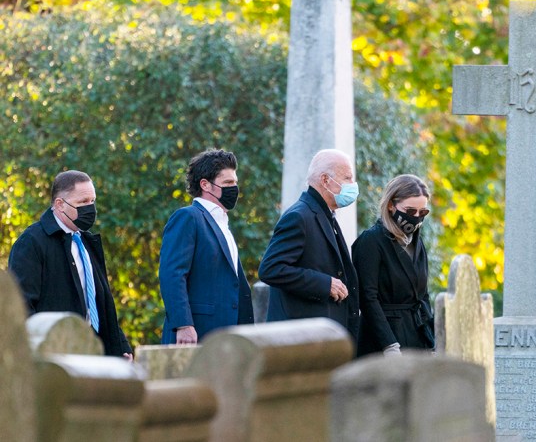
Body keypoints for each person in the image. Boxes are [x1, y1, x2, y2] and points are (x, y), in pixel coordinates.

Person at [8, 170, 133, 358]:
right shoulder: (32, 242)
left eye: (92, 201)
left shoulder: (88, 242)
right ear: (60, 205)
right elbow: (21, 306)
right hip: (56, 354)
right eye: (83, 202)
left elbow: (102, 301)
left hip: (94, 351)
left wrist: (121, 346)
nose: (90, 208)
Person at [258, 149, 360, 340]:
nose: (353, 185)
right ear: (325, 180)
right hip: (301, 335)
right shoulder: (299, 216)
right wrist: (325, 283)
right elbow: (270, 269)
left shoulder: (324, 214)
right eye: (347, 178)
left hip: (321, 333)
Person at [159, 148, 253, 344]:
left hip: (227, 336)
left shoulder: (223, 224)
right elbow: (172, 275)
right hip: (196, 333)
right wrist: (183, 325)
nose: (234, 188)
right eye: (227, 183)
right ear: (205, 185)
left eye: (235, 183)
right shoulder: (188, 217)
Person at [352, 174, 434, 356]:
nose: (416, 218)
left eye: (423, 212)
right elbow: (367, 298)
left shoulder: (417, 243)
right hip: (382, 340)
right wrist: (389, 344)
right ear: (391, 205)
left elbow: (423, 295)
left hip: (416, 336)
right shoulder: (371, 241)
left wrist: (432, 338)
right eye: (410, 211)